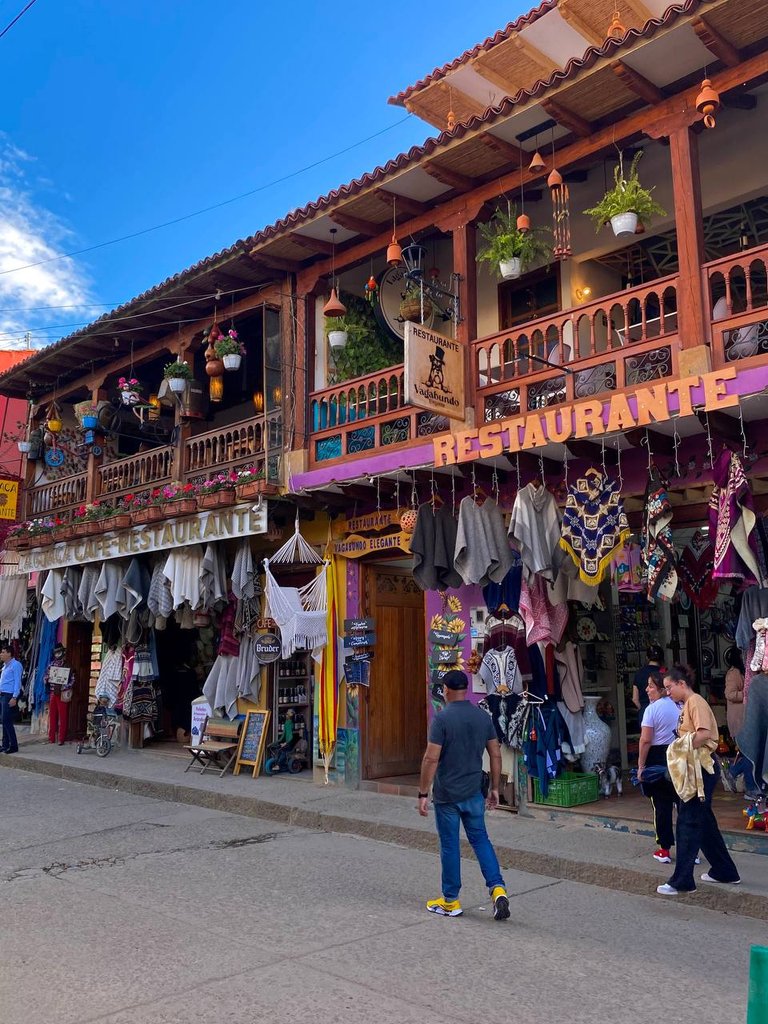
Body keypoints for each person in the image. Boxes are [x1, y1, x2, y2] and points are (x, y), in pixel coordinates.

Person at [417, 669, 509, 921]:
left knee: (450, 845)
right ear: (465, 689)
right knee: (481, 840)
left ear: (445, 690)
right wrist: (494, 789)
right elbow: (496, 754)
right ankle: (498, 888)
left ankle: (450, 900)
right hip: (474, 793)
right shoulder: (482, 717)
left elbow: (431, 758)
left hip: (448, 795)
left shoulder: (442, 719)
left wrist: (423, 792)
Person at [656, 666, 740, 896]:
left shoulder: (695, 702)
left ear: (681, 683)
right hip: (698, 767)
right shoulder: (688, 704)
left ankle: (682, 880)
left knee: (688, 822)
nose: (667, 692)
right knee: (703, 824)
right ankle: (725, 870)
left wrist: (678, 746)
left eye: (669, 687)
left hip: (700, 768)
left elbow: (703, 734)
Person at [637, 673, 680, 863]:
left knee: (661, 806)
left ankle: (664, 849)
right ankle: (691, 849)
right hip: (678, 755)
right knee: (683, 804)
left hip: (657, 758)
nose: (647, 690)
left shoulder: (651, 710)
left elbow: (645, 740)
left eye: (651, 686)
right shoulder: (680, 706)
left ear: (662, 689)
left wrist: (640, 766)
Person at [721, 652, 761, 798]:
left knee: (749, 753)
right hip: (739, 720)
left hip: (748, 718)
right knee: (748, 753)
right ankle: (750, 788)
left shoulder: (747, 671)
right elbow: (729, 694)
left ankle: (732, 772)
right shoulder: (734, 673)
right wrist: (747, 695)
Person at [46, 642, 73, 745]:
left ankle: (61, 738)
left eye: (59, 652)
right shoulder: (51, 664)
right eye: (56, 653)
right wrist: (47, 679)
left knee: (63, 716)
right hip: (53, 692)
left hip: (62, 693)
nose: (57, 654)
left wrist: (64, 686)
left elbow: (72, 680)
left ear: (62, 652)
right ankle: (51, 737)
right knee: (52, 716)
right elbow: (46, 676)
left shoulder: (67, 665)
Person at [632, 643, 665, 727]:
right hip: (663, 711)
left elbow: (635, 699)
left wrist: (641, 709)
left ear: (647, 658)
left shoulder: (639, 673)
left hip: (644, 711)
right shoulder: (665, 673)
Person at [0, 646, 22, 753]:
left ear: (9, 654)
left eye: (3, 652)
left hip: (9, 695)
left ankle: (13, 745)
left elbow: (17, 682)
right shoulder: (5, 666)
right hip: (3, 695)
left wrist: (14, 697)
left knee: (6, 720)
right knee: (4, 720)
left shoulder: (16, 665)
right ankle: (4, 744)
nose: (1, 654)